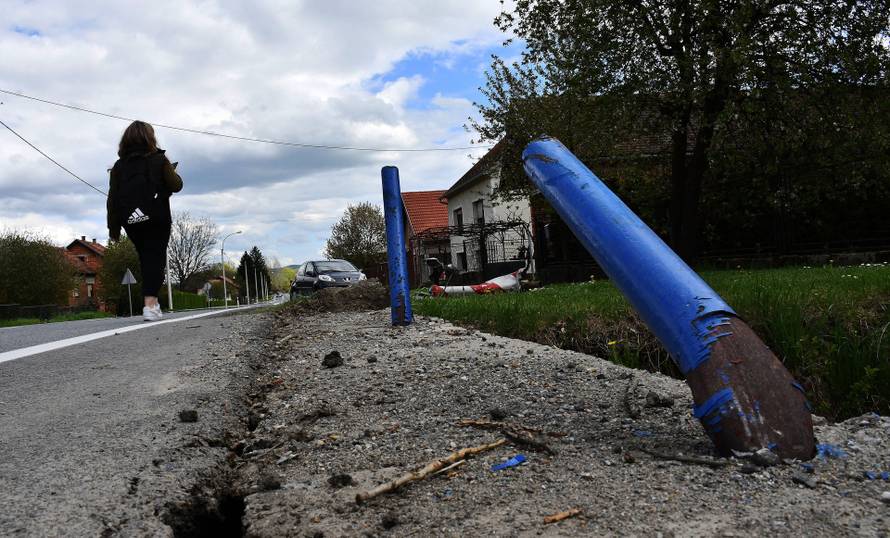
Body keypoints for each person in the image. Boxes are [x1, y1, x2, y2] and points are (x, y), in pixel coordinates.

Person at [106, 121, 182, 321]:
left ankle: (151, 303)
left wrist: (113, 231)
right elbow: (176, 186)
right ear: (150, 138)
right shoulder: (159, 159)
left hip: (131, 220)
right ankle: (150, 305)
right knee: (155, 259)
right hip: (157, 217)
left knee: (145, 257)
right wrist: (168, 167)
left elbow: (112, 199)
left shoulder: (118, 167)